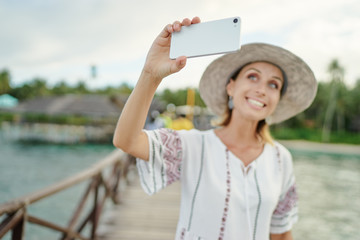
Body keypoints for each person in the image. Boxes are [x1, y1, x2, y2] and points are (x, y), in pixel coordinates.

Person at [113, 17, 317, 240]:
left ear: (277, 99)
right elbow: (127, 140)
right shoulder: (193, 145)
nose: (261, 90)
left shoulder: (281, 159)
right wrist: (150, 74)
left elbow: (281, 232)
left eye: (273, 84)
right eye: (252, 77)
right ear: (231, 86)